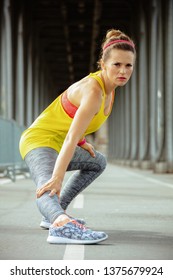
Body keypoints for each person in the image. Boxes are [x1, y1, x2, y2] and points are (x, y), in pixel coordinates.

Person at [19, 28, 136, 244]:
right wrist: (58, 177)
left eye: (128, 65)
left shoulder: (111, 90)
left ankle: (55, 212)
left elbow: (70, 119)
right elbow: (70, 137)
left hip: (59, 142)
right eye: (116, 64)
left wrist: (84, 141)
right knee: (48, 186)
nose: (123, 71)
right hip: (40, 140)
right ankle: (60, 224)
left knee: (97, 161)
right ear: (103, 64)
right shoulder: (94, 91)